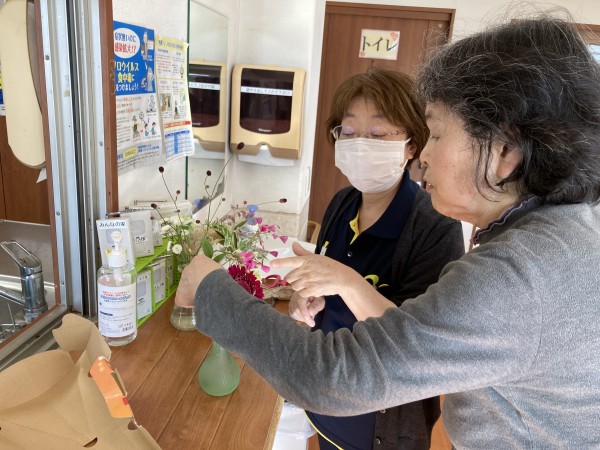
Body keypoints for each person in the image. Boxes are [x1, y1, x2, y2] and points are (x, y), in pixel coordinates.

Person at [175, 15, 600, 448]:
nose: (425, 157)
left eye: (436, 135)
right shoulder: (556, 238)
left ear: (505, 150)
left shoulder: (517, 276)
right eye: (349, 131)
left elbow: (332, 375)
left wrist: (209, 287)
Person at [287, 68, 464, 450]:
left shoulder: (435, 225)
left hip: (380, 425)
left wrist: (347, 282)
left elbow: (421, 346)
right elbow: (325, 289)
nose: (360, 144)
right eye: (348, 132)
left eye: (379, 134)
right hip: (325, 400)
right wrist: (308, 299)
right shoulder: (342, 202)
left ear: (412, 145)